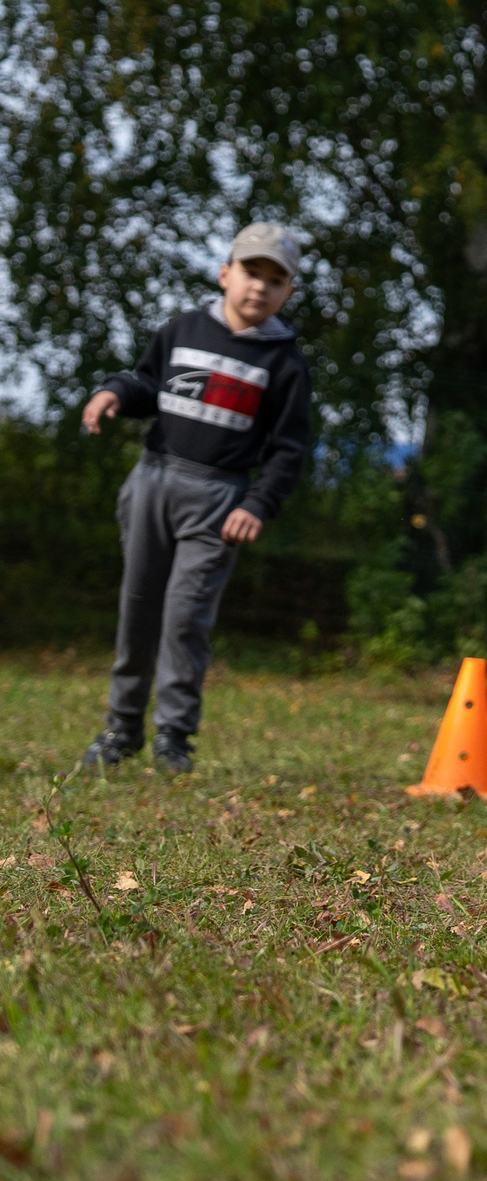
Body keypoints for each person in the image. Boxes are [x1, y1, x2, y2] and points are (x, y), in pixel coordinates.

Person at [78, 223, 314, 775]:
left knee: (186, 617)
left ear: (288, 292)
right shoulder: (182, 330)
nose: (259, 286)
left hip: (218, 499)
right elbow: (146, 385)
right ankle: (122, 727)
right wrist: (113, 392)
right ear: (225, 274)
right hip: (153, 480)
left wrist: (257, 504)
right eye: (251, 272)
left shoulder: (285, 362)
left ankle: (174, 736)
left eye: (274, 279)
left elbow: (289, 449)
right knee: (138, 606)